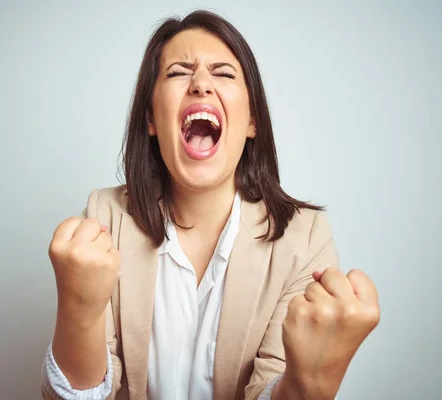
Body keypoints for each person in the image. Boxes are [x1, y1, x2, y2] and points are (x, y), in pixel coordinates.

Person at [41, 10, 380, 400]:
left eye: (223, 73)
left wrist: (310, 384)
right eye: (178, 72)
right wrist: (78, 312)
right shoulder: (103, 220)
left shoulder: (304, 238)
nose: (201, 83)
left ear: (252, 121)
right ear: (151, 117)